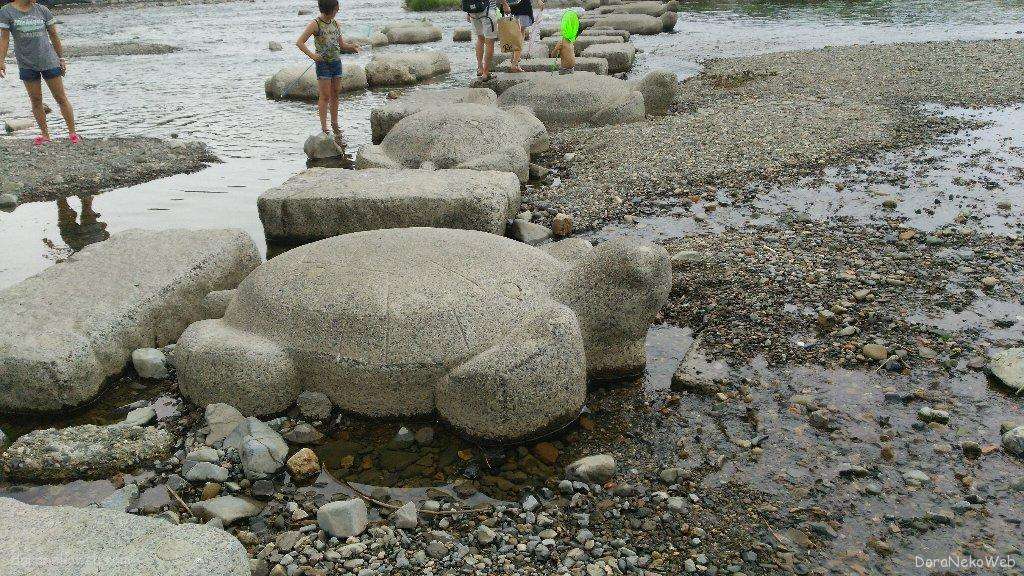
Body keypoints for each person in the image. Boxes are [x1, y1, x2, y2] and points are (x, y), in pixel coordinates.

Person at [0, 0, 79, 146]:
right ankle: (45, 135)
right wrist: (1, 60)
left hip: (49, 61)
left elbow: (54, 35)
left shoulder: (42, 10)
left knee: (60, 97)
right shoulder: (6, 12)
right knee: (36, 100)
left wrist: (61, 58)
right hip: (26, 63)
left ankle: (72, 133)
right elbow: (4, 39)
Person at [296, 0, 359, 143]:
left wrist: (352, 47)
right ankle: (324, 128)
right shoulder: (315, 24)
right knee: (325, 96)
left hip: (336, 63)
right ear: (329, 9)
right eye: (336, 9)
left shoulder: (335, 23)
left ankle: (335, 123)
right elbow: (300, 42)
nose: (338, 11)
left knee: (335, 93)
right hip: (323, 64)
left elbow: (341, 45)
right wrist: (313, 56)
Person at [467, 0, 511, 81]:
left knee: (480, 39)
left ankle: (480, 68)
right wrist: (505, 4)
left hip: (473, 11)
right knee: (489, 42)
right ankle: (486, 73)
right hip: (488, 11)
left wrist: (468, 12)